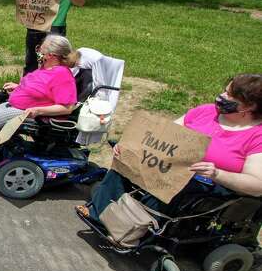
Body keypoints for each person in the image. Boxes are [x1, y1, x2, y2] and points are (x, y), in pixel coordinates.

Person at [79, 74, 262, 222]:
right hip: (174, 166)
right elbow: (164, 137)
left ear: (250, 106)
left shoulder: (257, 135)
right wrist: (131, 147)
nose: (222, 97)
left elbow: (257, 185)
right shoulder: (206, 111)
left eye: (230, 96)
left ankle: (128, 225)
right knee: (128, 159)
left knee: (171, 182)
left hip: (211, 183)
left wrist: (217, 174)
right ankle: (100, 210)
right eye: (224, 91)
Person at [0, 35, 79, 161]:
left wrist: (38, 110)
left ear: (51, 55)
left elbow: (67, 108)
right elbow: (39, 89)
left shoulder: (62, 76)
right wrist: (18, 87)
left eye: (42, 51)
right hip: (23, 107)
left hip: (38, 115)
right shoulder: (47, 67)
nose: (39, 52)